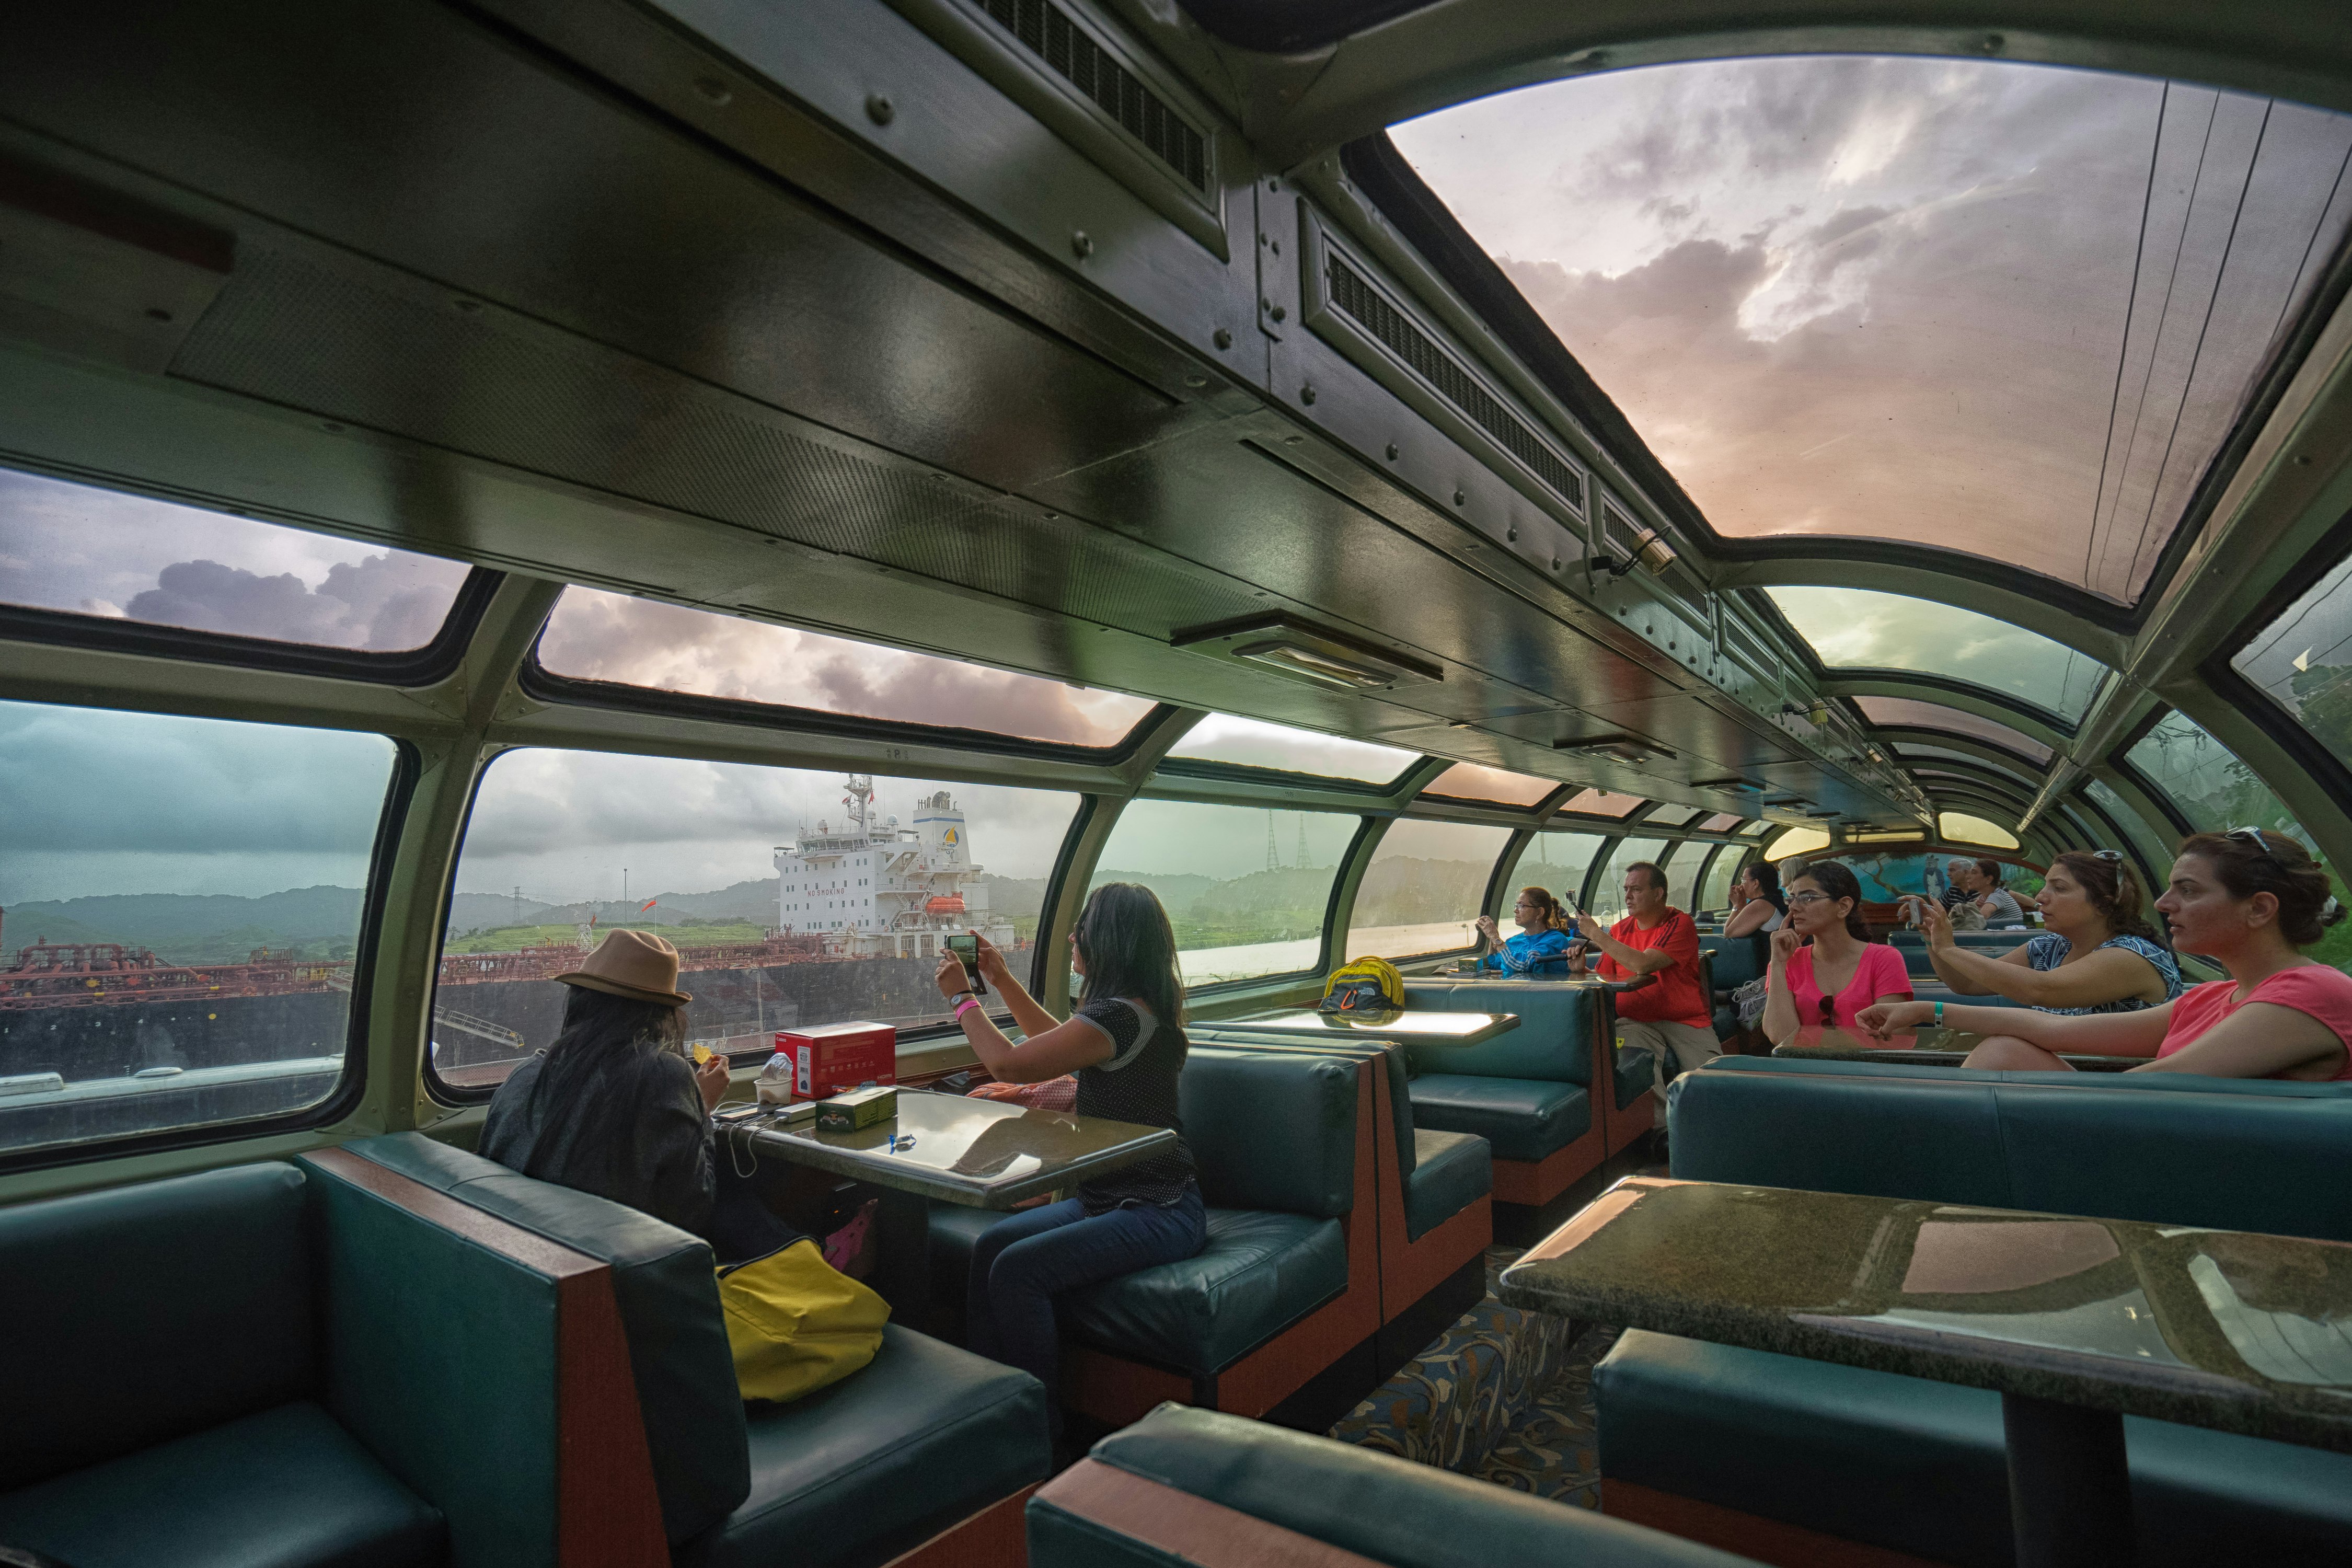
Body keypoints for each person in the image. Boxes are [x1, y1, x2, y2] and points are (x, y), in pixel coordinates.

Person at [943, 885, 1206, 1429]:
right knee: (990, 1245)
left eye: (1081, 927)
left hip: (1158, 1209)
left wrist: (961, 1000)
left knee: (1017, 1271)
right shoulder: (1131, 1009)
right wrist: (1001, 978)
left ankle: (1036, 1428)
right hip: (1107, 1200)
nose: (1071, 936)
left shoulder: (1121, 1016)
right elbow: (1058, 1041)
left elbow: (1011, 1067)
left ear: (1107, 940)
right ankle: (989, 1399)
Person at [1858, 830, 2352, 1079]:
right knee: (2006, 1051)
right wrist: (1928, 1009)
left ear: (2259, 909)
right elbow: (2054, 1029)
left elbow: (2157, 1086)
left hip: (2227, 1173)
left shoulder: (2313, 991)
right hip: (2169, 1142)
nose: (2164, 904)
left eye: (2188, 891)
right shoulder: (2216, 996)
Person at [480, 929, 729, 1237]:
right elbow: (694, 1211)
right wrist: (702, 1110)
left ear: (579, 1001)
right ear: (661, 1014)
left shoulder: (525, 1075)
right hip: (615, 1271)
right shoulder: (664, 1075)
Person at [1910, 850, 2181, 1013]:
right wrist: (1931, 937)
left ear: (2103, 904)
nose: (2040, 897)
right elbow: (1965, 985)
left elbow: (2040, 990)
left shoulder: (2131, 956)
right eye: (2045, 886)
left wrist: (1948, 948)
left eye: (2059, 888)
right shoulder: (2051, 946)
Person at [1574, 860, 1716, 1101]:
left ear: (1659, 894)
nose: (1628, 896)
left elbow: (1644, 964)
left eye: (1636, 890)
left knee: (1710, 1085)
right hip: (1635, 1021)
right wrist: (1581, 971)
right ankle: (1663, 1131)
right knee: (1635, 1072)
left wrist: (1596, 934)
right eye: (1626, 890)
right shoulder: (1620, 930)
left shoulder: (1679, 924)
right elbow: (1606, 978)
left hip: (1684, 1022)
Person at [1761, 861, 1913, 1045]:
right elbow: (1781, 1037)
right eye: (1792, 898)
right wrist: (1777, 964)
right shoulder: (1788, 962)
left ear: (1843, 907)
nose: (1793, 907)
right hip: (1805, 1069)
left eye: (1807, 898)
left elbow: (1892, 1036)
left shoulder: (1884, 959)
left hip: (1867, 1069)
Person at [1473, 885, 1576, 974]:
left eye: (1521, 906)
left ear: (1540, 913)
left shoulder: (1555, 940)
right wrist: (1493, 936)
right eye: (1516, 905)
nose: (1516, 910)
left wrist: (1496, 939)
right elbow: (1495, 965)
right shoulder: (1513, 941)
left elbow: (1522, 965)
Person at [1722, 859, 1788, 939]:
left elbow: (1729, 932)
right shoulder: (1775, 899)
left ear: (1755, 883)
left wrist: (1737, 905)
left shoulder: (1761, 904)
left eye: (1743, 880)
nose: (1741, 885)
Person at [1968, 859, 2028, 928]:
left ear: (1989, 879)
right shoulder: (1983, 897)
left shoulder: (1998, 896)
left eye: (1974, 873)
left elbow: (1979, 919)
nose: (1968, 877)